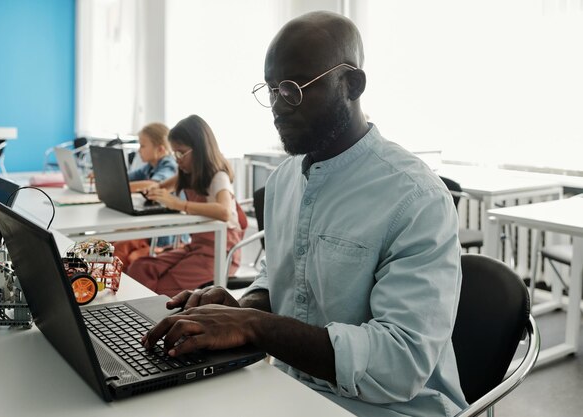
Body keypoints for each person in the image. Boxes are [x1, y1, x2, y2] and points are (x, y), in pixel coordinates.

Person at [141, 11, 467, 417]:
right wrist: (241, 309)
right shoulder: (282, 182)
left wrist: (252, 327)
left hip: (394, 408)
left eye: (293, 90)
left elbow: (399, 364)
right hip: (292, 388)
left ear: (351, 84)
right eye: (271, 89)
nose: (277, 106)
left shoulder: (416, 197)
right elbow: (280, 276)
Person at [127, 114, 245, 296]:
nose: (177, 159)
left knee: (163, 287)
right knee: (141, 267)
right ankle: (133, 318)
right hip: (196, 247)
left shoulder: (217, 177)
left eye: (181, 153)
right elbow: (159, 185)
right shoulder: (188, 172)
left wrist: (179, 204)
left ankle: (152, 319)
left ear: (199, 150)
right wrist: (154, 191)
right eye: (174, 153)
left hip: (220, 253)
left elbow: (224, 212)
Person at [113, 122, 178, 268]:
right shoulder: (150, 166)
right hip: (150, 230)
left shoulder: (169, 166)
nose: (139, 150)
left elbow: (153, 185)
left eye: (143, 146)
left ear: (160, 149)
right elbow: (125, 177)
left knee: (119, 251)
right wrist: (106, 176)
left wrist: (120, 187)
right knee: (109, 243)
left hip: (164, 238)